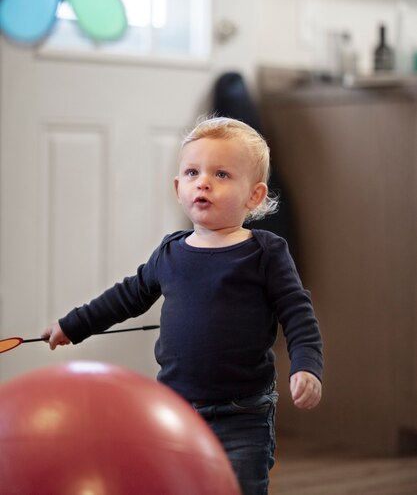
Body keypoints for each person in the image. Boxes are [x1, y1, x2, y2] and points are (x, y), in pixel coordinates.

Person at [43, 116, 323, 495]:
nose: (203, 182)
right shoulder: (170, 253)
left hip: (243, 414)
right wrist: (73, 325)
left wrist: (306, 366)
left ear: (254, 196)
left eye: (221, 174)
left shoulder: (266, 253)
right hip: (175, 409)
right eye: (193, 172)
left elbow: (298, 314)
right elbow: (126, 296)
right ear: (179, 188)